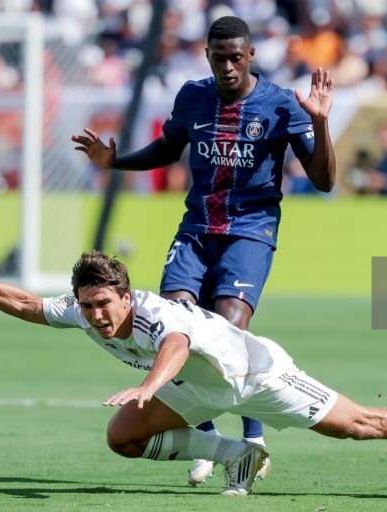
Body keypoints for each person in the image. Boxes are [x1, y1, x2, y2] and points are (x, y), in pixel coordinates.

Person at [0, 240, 387, 499]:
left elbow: (172, 344)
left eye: (103, 305)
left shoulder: (157, 311)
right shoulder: (81, 312)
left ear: (124, 295)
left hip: (255, 375)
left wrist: (147, 385)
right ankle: (236, 456)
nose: (94, 317)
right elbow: (17, 302)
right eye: (86, 307)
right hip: (199, 390)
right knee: (123, 438)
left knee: (358, 424)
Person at [71, 15, 336, 485]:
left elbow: (324, 180)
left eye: (237, 57)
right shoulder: (193, 96)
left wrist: (320, 124)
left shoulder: (280, 104)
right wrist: (116, 162)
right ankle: (210, 439)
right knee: (171, 325)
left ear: (251, 55)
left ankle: (253, 437)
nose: (229, 67)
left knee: (228, 325)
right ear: (208, 57)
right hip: (195, 230)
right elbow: (168, 149)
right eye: (220, 58)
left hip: (250, 232)